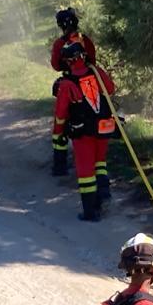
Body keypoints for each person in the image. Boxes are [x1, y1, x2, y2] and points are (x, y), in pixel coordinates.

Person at [52, 41, 116, 220]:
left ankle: (90, 211)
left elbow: (60, 112)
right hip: (103, 128)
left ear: (68, 61)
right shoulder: (96, 72)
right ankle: (104, 194)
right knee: (100, 162)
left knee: (86, 171)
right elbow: (110, 89)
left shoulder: (67, 83)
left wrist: (59, 132)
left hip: (83, 132)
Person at [50, 8, 98, 177]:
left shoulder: (59, 43)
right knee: (96, 114)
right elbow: (93, 60)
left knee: (60, 122)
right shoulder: (86, 40)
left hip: (70, 84)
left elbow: (56, 65)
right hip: (90, 83)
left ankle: (60, 164)